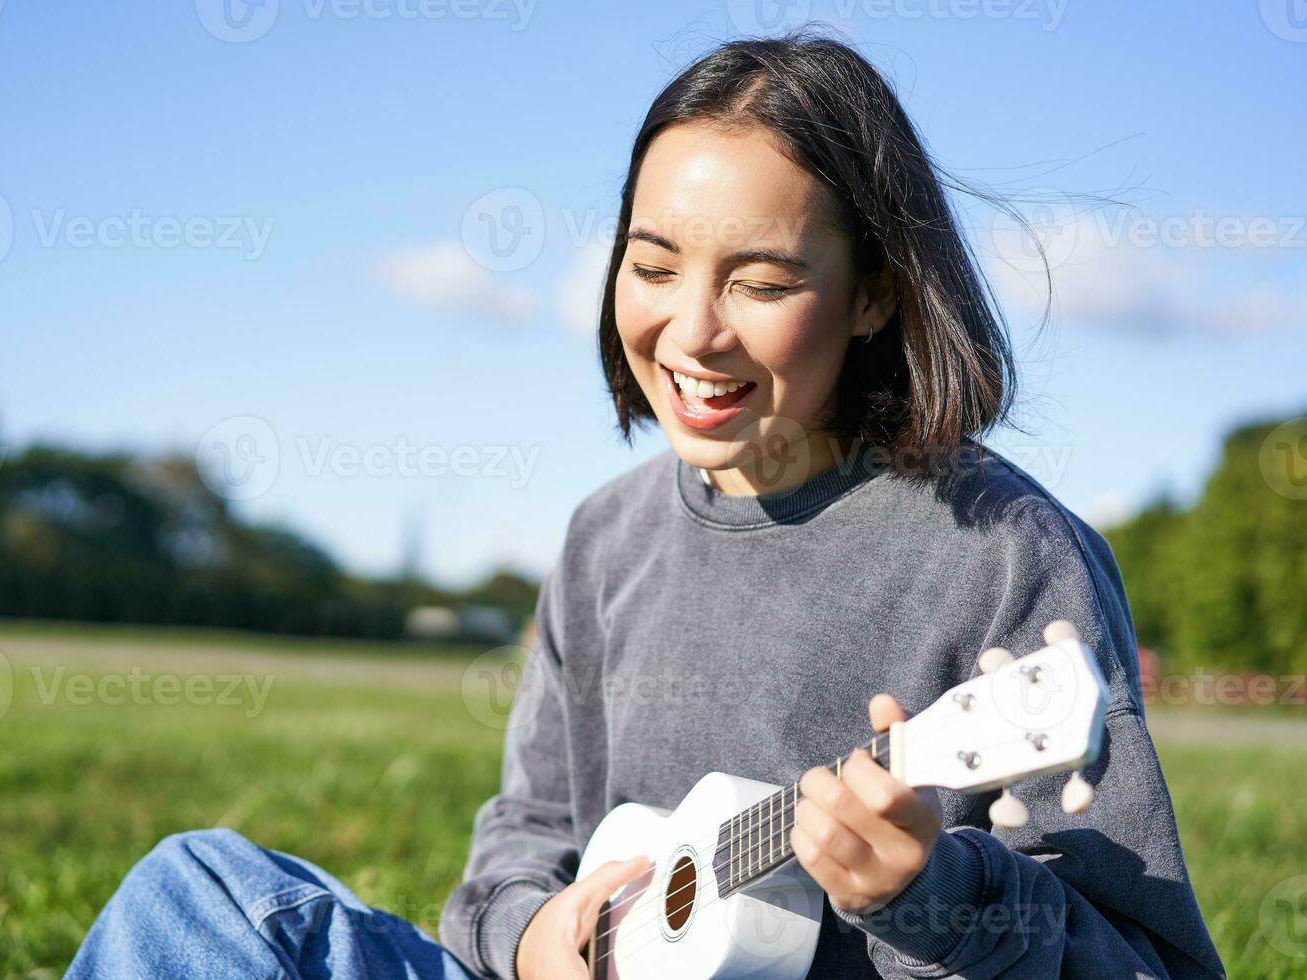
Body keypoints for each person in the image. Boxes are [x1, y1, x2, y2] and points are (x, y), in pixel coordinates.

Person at [66, 29, 1225, 980]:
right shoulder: (606, 536)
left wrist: (938, 896)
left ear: (876, 290)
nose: (692, 331)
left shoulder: (1005, 553)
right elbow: (522, 838)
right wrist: (533, 932)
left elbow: (1147, 964)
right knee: (199, 894)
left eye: (761, 281)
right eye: (653, 263)